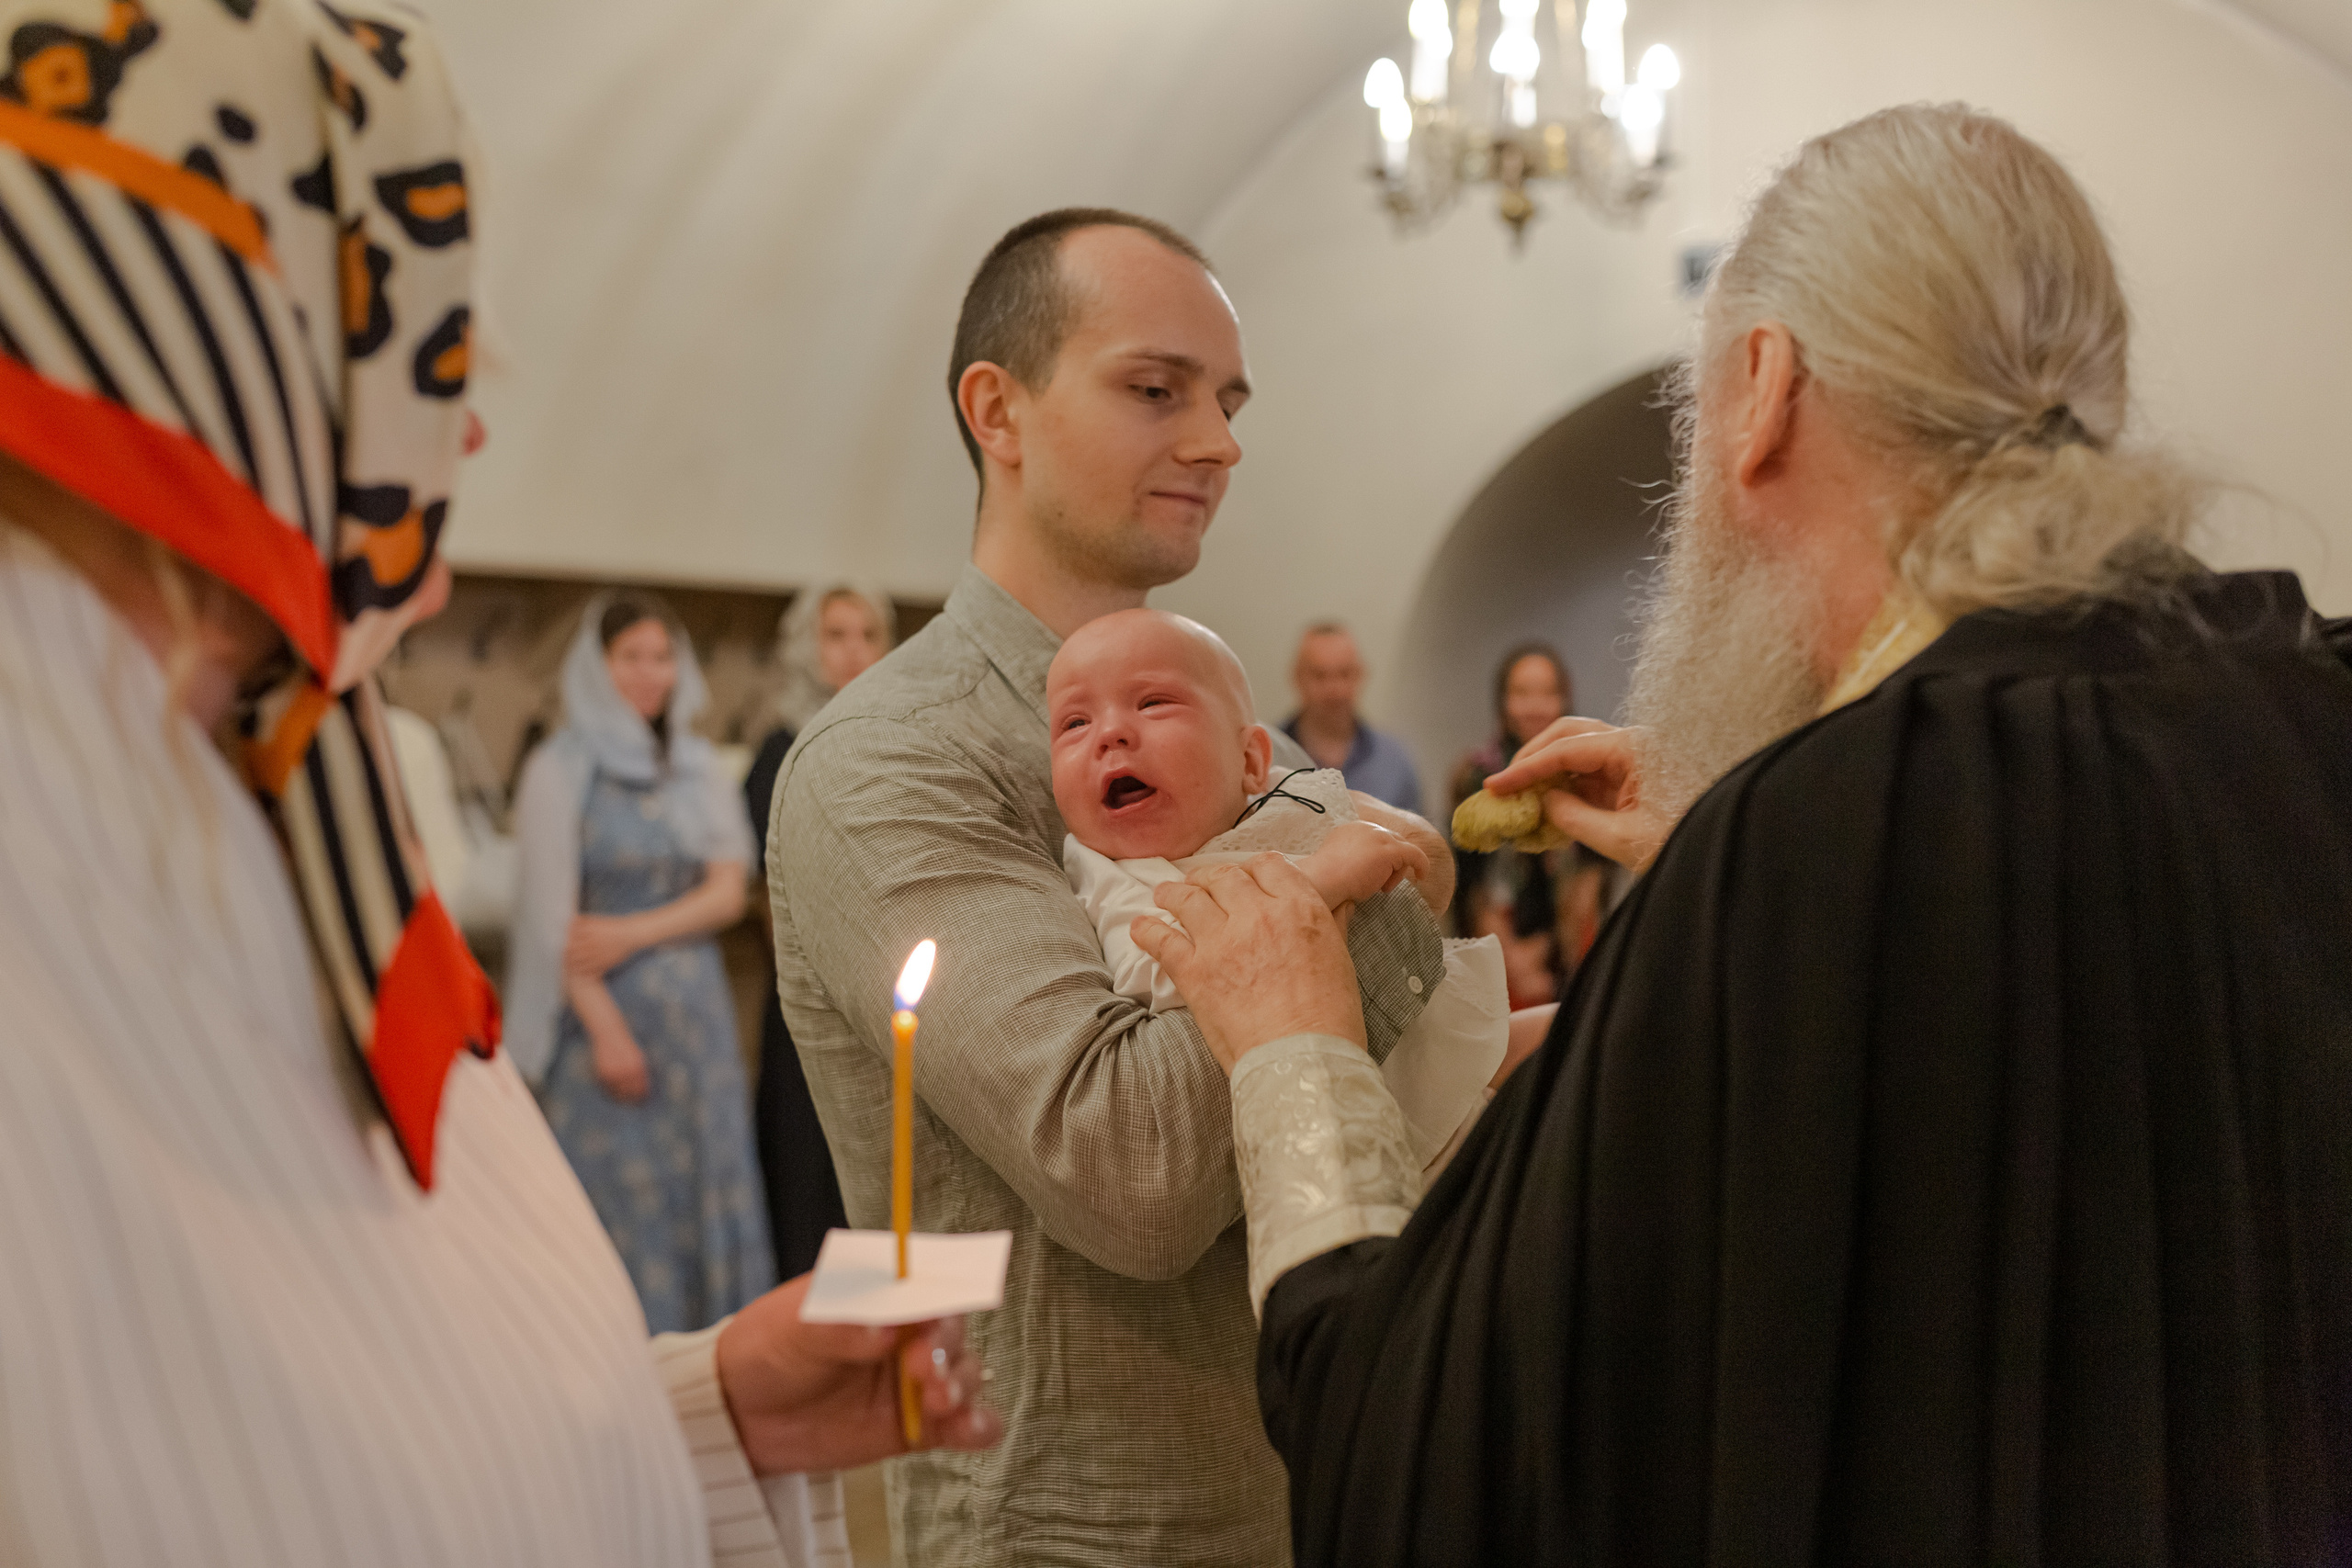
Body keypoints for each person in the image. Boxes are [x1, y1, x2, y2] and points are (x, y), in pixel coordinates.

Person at [1133, 104, 2352, 1565]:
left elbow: (1428, 1463)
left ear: (1764, 389)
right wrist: (1774, 851)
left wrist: (1295, 1049)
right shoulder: (2300, 711)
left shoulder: (1801, 842)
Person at [0, 6, 995, 1565]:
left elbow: (374, 1406)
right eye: (421, 349)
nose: (461, 429)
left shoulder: (280, 787)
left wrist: (702, 1418)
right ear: (227, 349)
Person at [766, 209, 1450, 1565]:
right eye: (1156, 389)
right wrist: (1363, 892)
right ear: (997, 411)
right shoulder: (891, 758)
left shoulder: (1249, 745)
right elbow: (1130, 1165)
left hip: (1306, 1481)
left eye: (1227, 402)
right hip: (1083, 1520)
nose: (1219, 442)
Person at [1049, 607, 1544, 1174]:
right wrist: (1322, 879)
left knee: (1586, 1027)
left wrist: (1404, 847)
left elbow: (1414, 856)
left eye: (1152, 703)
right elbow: (1155, 972)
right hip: (1383, 1129)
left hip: (1444, 1036)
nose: (1109, 733)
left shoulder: (1285, 792)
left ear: (1250, 761)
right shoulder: (1108, 870)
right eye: (1074, 723)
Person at [509, 593, 774, 1332]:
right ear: (598, 667)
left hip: (698, 1035)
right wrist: (606, 1030)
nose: (650, 673)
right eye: (631, 657)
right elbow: (552, 922)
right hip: (606, 1031)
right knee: (615, 1213)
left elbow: (727, 891)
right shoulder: (559, 769)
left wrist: (631, 932)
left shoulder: (696, 765)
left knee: (706, 1194)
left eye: (662, 657)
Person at [743, 584, 895, 1280]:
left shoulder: (898, 738)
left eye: (868, 633)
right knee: (810, 1173)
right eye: (836, 635)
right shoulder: (781, 749)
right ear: (807, 646)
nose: (854, 651)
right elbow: (775, 890)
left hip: (889, 985)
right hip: (812, 987)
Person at [1446, 643, 1611, 1004]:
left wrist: (1557, 952)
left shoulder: (1587, 775)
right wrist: (1516, 964)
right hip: (1497, 960)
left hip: (1574, 954)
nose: (1535, 706)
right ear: (1502, 703)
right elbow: (1471, 887)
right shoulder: (1475, 777)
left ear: (1564, 700)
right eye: (1522, 693)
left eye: (1547, 693)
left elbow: (1594, 877)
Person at [1283, 621, 1422, 811]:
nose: (1334, 689)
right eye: (1320, 675)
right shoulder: (1267, 758)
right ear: (1297, 677)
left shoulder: (1395, 762)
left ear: (1360, 675)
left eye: (1344, 674)